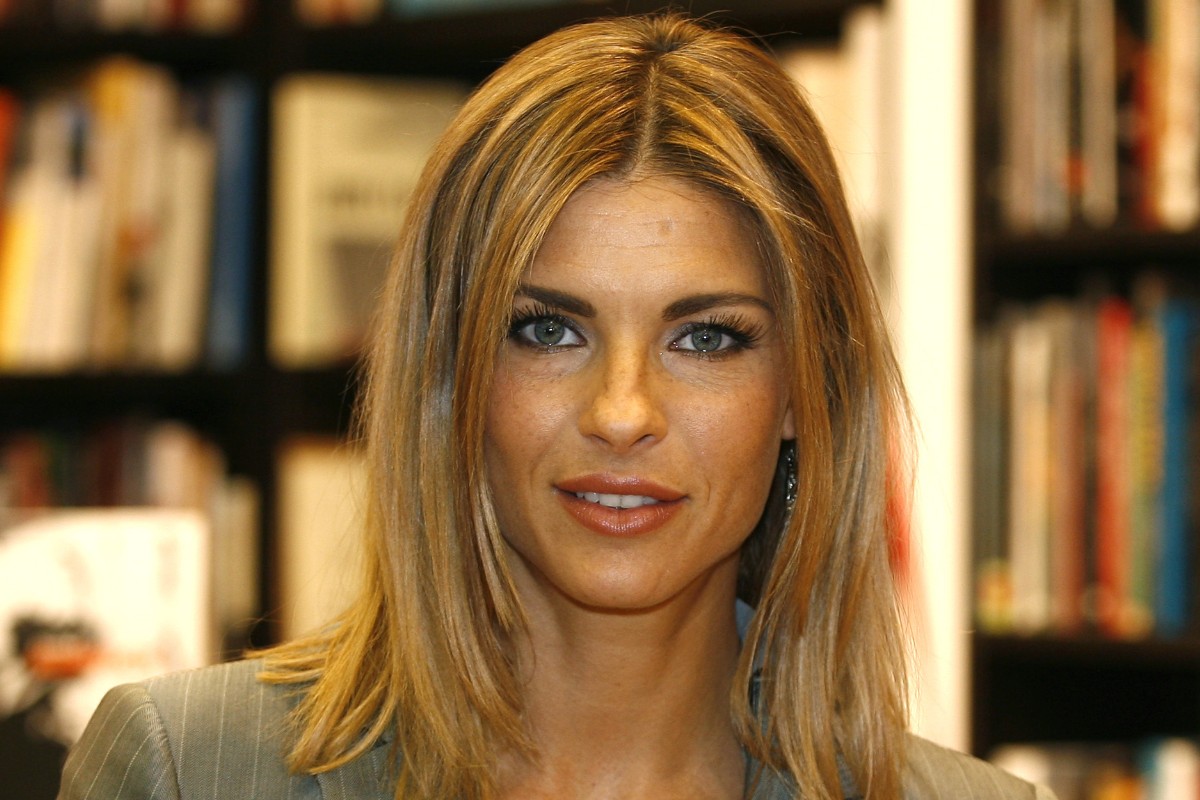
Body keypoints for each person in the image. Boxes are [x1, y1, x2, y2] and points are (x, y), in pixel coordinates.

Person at [58, 12, 1055, 800]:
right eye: (546, 330)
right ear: (449, 372)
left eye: (707, 338)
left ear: (806, 389)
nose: (622, 411)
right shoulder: (189, 767)